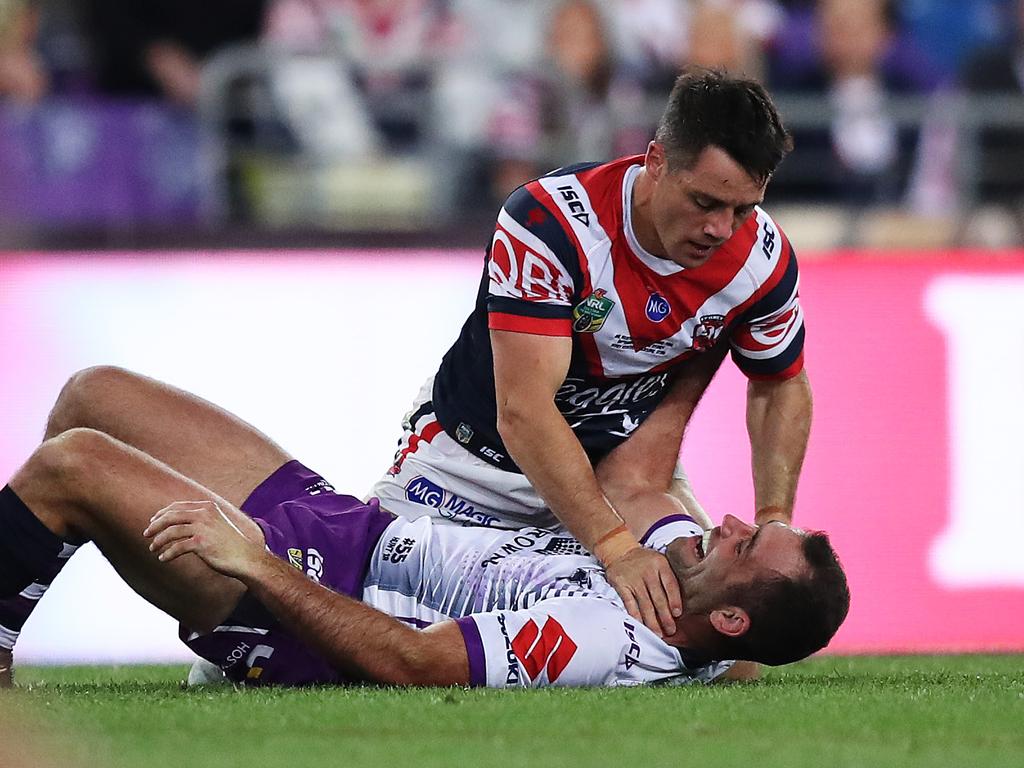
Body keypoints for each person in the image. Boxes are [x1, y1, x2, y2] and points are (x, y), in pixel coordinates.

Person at [369, 67, 811, 639]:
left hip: (624, 477)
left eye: (744, 209)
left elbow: (780, 383)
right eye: (705, 201)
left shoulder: (761, 257)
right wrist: (613, 546)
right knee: (356, 632)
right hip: (472, 470)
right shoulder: (551, 224)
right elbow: (524, 411)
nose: (721, 229)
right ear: (655, 161)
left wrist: (774, 523)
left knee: (731, 647)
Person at [0, 397, 849, 688]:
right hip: (352, 528)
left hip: (295, 596)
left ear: (732, 617)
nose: (729, 525)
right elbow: (648, 473)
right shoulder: (690, 592)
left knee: (70, 466)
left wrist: (253, 562)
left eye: (745, 546)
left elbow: (417, 663)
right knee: (91, 396)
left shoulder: (609, 639)